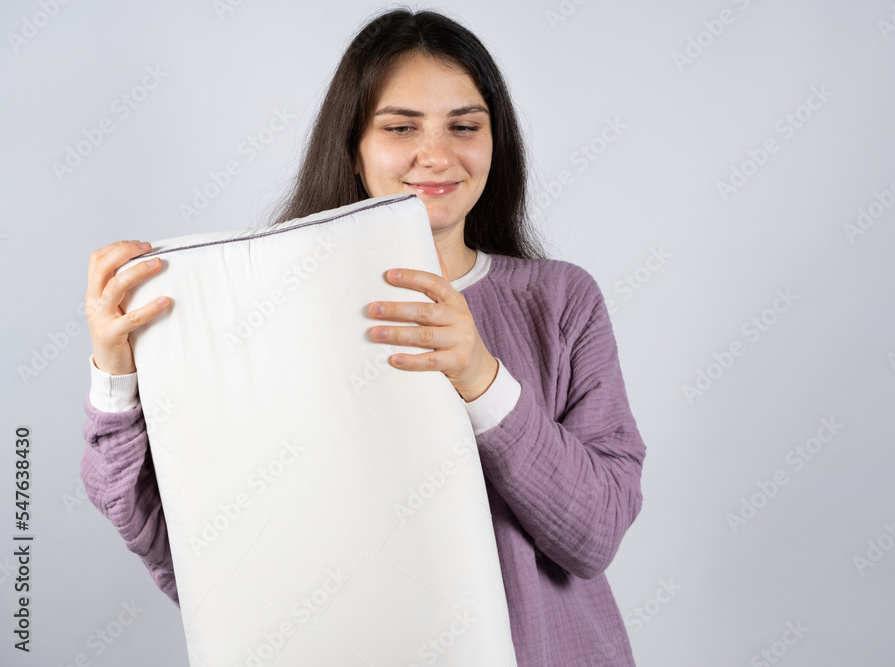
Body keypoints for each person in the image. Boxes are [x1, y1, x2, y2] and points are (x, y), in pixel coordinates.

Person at [81, 8, 646, 666]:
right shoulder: (269, 312)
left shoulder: (560, 300)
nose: (437, 155)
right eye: (400, 127)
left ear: (497, 141)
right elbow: (178, 541)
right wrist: (116, 376)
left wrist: (481, 377)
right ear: (353, 145)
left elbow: (595, 533)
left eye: (465, 126)